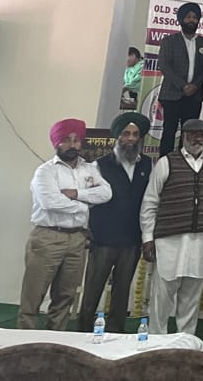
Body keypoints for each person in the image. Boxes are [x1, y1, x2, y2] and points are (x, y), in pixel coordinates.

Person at [19, 119, 110, 331]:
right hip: (48, 237)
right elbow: (50, 202)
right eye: (66, 140)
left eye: (76, 140)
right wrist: (85, 206)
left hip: (77, 239)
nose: (72, 145)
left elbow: (106, 193)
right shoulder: (45, 171)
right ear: (57, 143)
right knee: (33, 295)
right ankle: (24, 342)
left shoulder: (89, 169)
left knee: (66, 296)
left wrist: (76, 194)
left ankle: (55, 340)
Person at [140, 118, 203, 334]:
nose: (198, 139)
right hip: (169, 241)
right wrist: (147, 238)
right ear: (184, 136)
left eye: (202, 135)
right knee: (162, 297)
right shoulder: (166, 162)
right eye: (193, 134)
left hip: (200, 242)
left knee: (191, 299)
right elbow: (150, 202)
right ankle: (156, 342)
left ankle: (185, 343)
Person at [80, 112, 152, 333]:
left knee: (122, 291)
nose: (130, 139)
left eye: (135, 134)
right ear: (117, 136)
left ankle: (116, 333)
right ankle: (83, 332)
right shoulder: (99, 165)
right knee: (93, 289)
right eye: (126, 134)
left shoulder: (147, 164)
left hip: (131, 239)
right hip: (103, 238)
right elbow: (87, 200)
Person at [156, 1, 203, 156]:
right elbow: (164, 65)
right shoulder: (169, 41)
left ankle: (185, 163)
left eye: (195, 17)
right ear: (180, 20)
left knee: (190, 133)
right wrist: (183, 85)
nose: (192, 20)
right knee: (169, 131)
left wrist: (195, 85)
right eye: (188, 17)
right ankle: (164, 163)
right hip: (172, 94)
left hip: (194, 95)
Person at [123, 46, 143, 110]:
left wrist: (124, 88)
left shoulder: (143, 67)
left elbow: (135, 83)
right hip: (134, 102)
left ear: (133, 56)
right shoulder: (128, 70)